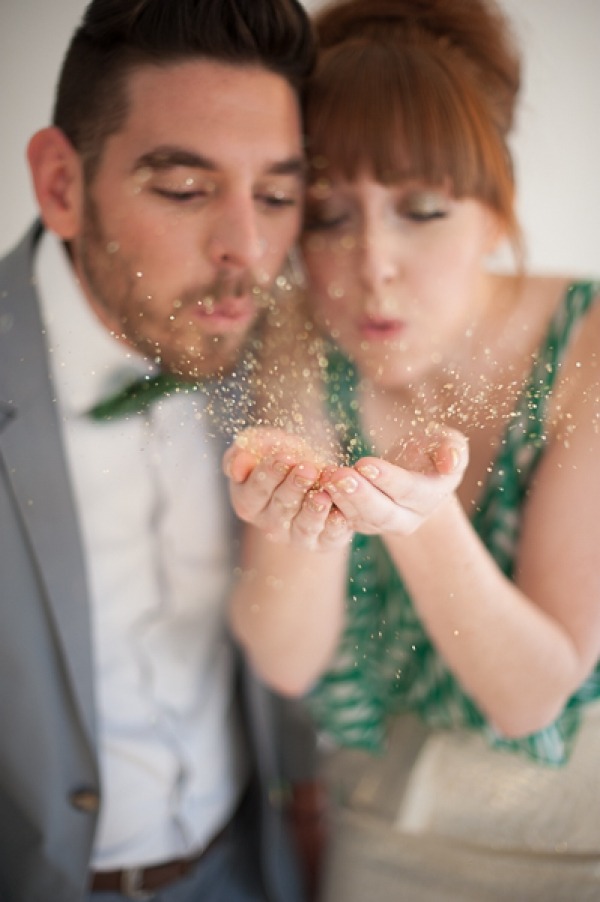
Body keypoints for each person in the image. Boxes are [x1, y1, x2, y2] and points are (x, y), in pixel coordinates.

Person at [223, 0, 600, 899]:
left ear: (492, 211)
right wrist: (298, 529)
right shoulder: (300, 341)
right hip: (381, 836)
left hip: (575, 839)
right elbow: (286, 660)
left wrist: (417, 522)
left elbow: (531, 693)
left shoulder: (588, 344)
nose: (372, 264)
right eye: (328, 216)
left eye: (421, 210)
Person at [0, 1, 320, 900]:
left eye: (279, 195)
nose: (248, 252)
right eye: (185, 189)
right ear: (62, 184)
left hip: (247, 870)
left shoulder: (276, 358)